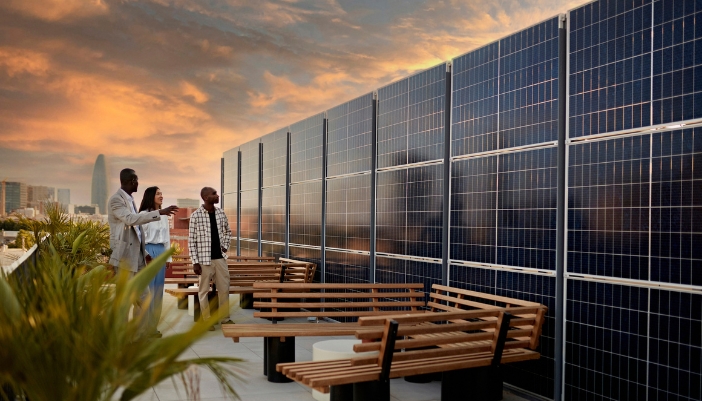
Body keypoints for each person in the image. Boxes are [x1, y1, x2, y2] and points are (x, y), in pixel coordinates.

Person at [108, 168, 178, 339]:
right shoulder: (116, 200)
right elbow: (131, 220)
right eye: (136, 180)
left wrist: (144, 252)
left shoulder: (130, 199)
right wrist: (159, 212)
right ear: (131, 181)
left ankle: (139, 335)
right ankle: (121, 336)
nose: (138, 183)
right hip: (125, 257)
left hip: (138, 256)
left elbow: (138, 232)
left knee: (145, 296)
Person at [188, 186, 233, 330]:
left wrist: (225, 245)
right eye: (214, 194)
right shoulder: (196, 216)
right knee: (203, 291)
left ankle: (225, 319)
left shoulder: (221, 213)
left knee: (224, 288)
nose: (217, 195)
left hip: (220, 259)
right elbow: (191, 241)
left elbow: (228, 231)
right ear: (206, 197)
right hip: (203, 260)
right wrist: (195, 262)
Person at [138, 186, 172, 339]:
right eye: (158, 193)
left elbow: (167, 239)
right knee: (148, 292)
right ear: (150, 196)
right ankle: (143, 327)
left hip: (160, 253)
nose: (161, 196)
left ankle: (153, 327)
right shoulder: (143, 215)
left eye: (162, 193)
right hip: (147, 254)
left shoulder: (164, 216)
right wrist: (145, 254)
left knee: (158, 291)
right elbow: (138, 238)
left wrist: (168, 257)